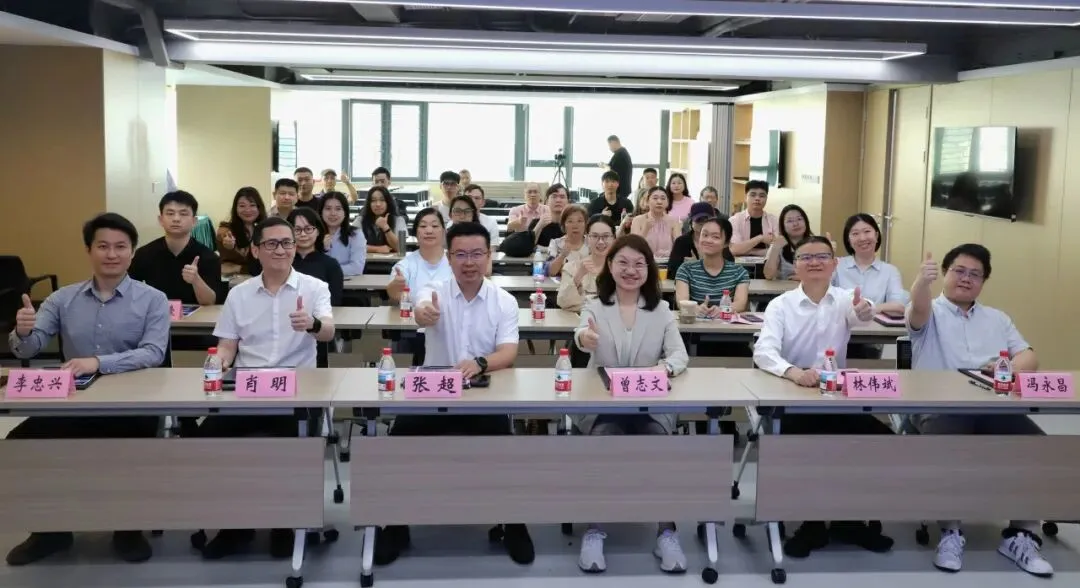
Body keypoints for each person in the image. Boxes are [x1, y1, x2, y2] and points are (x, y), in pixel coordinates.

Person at [6, 213, 170, 566]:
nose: (111, 254)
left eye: (120, 247)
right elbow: (29, 348)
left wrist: (98, 362)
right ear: (88, 250)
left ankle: (127, 530)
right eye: (103, 246)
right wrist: (22, 332)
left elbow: (154, 352)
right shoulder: (62, 299)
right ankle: (49, 531)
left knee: (129, 451)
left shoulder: (153, 299)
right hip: (73, 403)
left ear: (132, 252)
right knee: (22, 445)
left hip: (133, 404)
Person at [374, 221, 534, 567]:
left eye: (477, 254)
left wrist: (480, 363)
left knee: (504, 453)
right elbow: (420, 308)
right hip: (433, 394)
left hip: (483, 395)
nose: (469, 262)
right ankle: (395, 525)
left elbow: (508, 352)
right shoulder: (434, 290)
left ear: (489, 256)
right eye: (460, 254)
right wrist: (423, 313)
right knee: (396, 449)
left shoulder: (504, 301)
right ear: (449, 258)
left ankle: (512, 523)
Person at [906, 244, 1051, 577]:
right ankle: (951, 531)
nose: (966, 279)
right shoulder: (930, 311)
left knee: (1038, 448)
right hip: (938, 407)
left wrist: (1008, 367)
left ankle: (1021, 536)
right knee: (952, 446)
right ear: (945, 273)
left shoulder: (997, 319)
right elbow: (918, 311)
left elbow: (1029, 357)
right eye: (959, 271)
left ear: (984, 281)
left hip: (994, 406)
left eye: (975, 274)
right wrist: (922, 282)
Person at [198, 215, 335, 560]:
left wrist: (312, 324)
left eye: (287, 243)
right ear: (256, 250)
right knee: (208, 437)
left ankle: (285, 525)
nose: (280, 250)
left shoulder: (314, 288)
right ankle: (235, 527)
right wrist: (220, 361)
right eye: (271, 243)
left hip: (297, 392)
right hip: (248, 390)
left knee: (290, 445)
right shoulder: (239, 294)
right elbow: (227, 344)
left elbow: (328, 332)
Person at [753, 236, 895, 559]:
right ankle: (813, 523)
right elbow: (764, 351)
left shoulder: (845, 299)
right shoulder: (780, 305)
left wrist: (865, 309)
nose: (814, 262)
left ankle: (849, 520)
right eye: (806, 257)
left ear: (834, 264)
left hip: (835, 397)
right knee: (810, 446)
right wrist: (793, 372)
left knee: (880, 441)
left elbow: (861, 313)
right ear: (795, 266)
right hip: (792, 398)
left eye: (822, 256)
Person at [572, 234, 689, 575]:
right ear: (610, 266)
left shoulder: (661, 310)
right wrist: (584, 338)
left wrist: (663, 368)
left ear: (649, 269)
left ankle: (666, 531)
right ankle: (594, 529)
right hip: (603, 404)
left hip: (649, 403)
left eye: (639, 264)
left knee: (657, 445)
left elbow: (679, 355)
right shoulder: (595, 305)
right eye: (622, 262)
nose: (630, 270)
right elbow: (580, 335)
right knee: (603, 442)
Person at [131, 190, 222, 307]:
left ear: (194, 221)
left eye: (183, 214)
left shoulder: (208, 257)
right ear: (161, 220)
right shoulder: (143, 254)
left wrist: (196, 280)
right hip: (154, 316)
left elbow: (210, 302)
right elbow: (129, 293)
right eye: (170, 213)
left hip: (196, 318)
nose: (176, 219)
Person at [387, 209, 453, 366]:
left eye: (435, 226)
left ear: (444, 231)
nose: (429, 230)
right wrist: (394, 289)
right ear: (415, 232)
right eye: (423, 226)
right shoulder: (405, 265)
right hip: (415, 330)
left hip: (452, 328)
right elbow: (395, 296)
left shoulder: (456, 261)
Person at [249, 208, 344, 306]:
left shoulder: (331, 265)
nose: (303, 234)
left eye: (308, 229)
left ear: (318, 231)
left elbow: (334, 302)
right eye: (297, 230)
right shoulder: (279, 259)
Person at [831, 214, 906, 316]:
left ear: (876, 235)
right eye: (855, 233)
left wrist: (870, 309)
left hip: (875, 325)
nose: (862, 238)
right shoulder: (836, 265)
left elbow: (899, 306)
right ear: (848, 240)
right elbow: (819, 295)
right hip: (841, 324)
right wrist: (825, 256)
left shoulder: (890, 271)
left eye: (867, 231)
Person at [674, 217, 749, 315]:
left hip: (725, 323)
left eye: (715, 237)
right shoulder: (686, 269)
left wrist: (722, 309)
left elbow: (740, 304)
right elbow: (681, 302)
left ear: (726, 243)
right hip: (694, 323)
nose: (708, 240)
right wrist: (695, 309)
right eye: (705, 235)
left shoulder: (739, 272)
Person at [558, 215, 615, 313]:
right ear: (587, 238)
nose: (601, 242)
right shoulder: (571, 267)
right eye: (595, 236)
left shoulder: (622, 269)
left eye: (606, 236)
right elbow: (564, 303)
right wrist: (578, 277)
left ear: (614, 238)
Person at [669, 202, 727, 277]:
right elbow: (672, 272)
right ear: (691, 222)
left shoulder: (720, 241)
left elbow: (729, 269)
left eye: (706, 219)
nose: (702, 223)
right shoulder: (681, 242)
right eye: (698, 219)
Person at [217, 187, 267, 272]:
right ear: (236, 208)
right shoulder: (226, 229)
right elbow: (223, 235)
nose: (247, 210)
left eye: (252, 205)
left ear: (259, 208)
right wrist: (229, 245)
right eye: (242, 206)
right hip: (234, 279)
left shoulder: (265, 229)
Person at [320, 191, 367, 276]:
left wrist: (328, 270)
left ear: (345, 212)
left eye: (338, 209)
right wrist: (325, 249)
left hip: (349, 283)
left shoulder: (356, 234)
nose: (333, 213)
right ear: (321, 212)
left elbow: (357, 268)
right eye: (328, 208)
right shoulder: (313, 234)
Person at [730, 180, 779, 256]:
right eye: (753, 195)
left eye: (762, 196)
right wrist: (760, 238)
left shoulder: (774, 220)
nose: (757, 198)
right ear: (745, 197)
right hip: (740, 263)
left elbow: (778, 250)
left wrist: (749, 251)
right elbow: (734, 250)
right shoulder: (735, 220)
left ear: (766, 198)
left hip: (767, 262)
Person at [764, 204, 812, 282]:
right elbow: (768, 275)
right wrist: (775, 248)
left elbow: (826, 273)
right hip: (785, 288)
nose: (795, 224)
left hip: (812, 288)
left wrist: (804, 278)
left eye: (799, 219)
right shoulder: (778, 245)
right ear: (783, 226)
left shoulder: (815, 244)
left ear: (806, 222)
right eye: (790, 221)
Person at [630, 187, 681, 258]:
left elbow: (679, 247)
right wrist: (645, 229)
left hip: (667, 261)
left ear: (667, 202)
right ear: (647, 201)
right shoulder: (637, 220)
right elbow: (633, 247)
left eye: (663, 198)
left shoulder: (673, 221)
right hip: (643, 261)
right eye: (655, 198)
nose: (659, 202)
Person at [358, 185, 407, 254]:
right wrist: (376, 249)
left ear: (388, 202)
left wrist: (386, 227)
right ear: (369, 204)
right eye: (373, 200)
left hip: (392, 260)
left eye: (382, 200)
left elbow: (400, 248)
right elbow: (351, 245)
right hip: (365, 260)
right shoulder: (360, 220)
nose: (378, 204)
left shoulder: (399, 220)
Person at [547, 204, 588, 277]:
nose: (575, 225)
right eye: (570, 221)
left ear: (585, 224)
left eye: (580, 221)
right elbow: (551, 272)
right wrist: (562, 255)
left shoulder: (592, 243)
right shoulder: (556, 243)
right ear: (563, 225)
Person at [602, 135, 633, 199]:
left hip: (620, 191)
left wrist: (606, 167)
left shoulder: (620, 154)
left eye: (609, 145)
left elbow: (613, 172)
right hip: (622, 190)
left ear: (614, 142)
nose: (609, 148)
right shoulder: (622, 153)